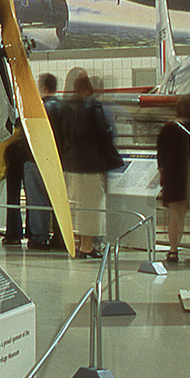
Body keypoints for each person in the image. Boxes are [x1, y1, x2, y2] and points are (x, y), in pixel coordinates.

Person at [57, 69, 123, 258]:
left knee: (76, 205)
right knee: (92, 207)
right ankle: (87, 245)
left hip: (72, 163)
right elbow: (104, 133)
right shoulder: (93, 107)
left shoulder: (65, 108)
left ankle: (78, 243)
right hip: (92, 164)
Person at [23, 73, 63, 251]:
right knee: (58, 200)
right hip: (59, 161)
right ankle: (60, 236)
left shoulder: (39, 108)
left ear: (43, 87)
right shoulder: (64, 107)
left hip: (38, 160)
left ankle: (40, 237)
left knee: (38, 199)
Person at [156, 93, 190, 264]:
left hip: (173, 176)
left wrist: (162, 175)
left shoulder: (167, 129)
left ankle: (173, 251)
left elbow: (161, 156)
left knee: (175, 215)